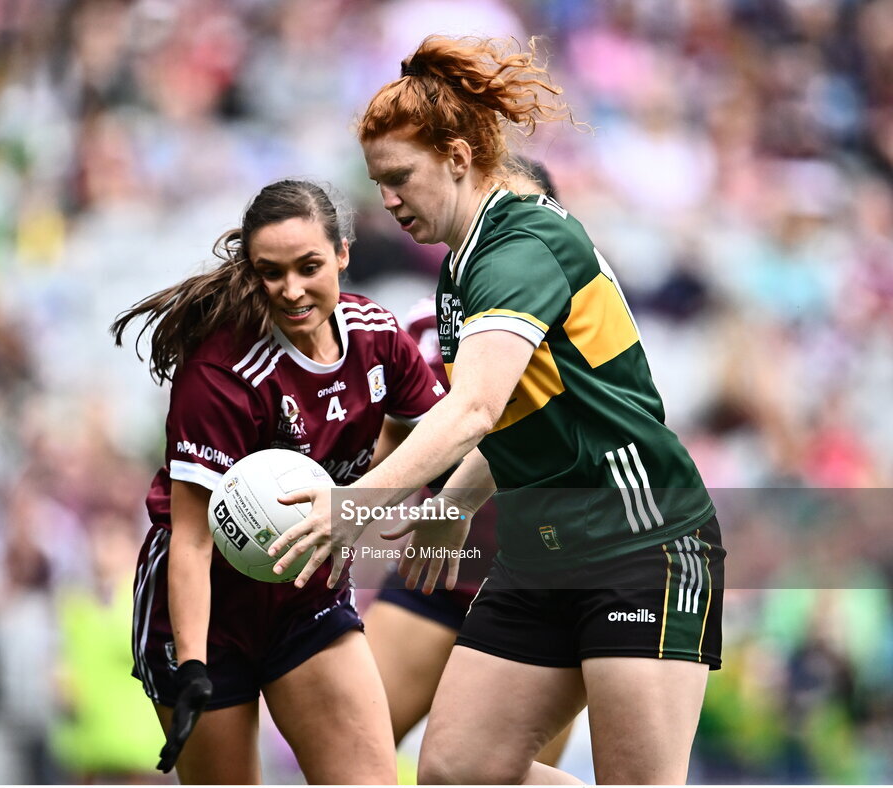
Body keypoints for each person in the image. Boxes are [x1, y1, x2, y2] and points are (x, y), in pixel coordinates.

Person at [270, 36, 725, 785]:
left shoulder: (521, 246)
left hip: (640, 542)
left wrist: (351, 506)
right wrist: (452, 504)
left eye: (398, 177)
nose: (385, 198)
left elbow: (476, 407)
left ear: (456, 157)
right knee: (455, 773)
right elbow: (513, 413)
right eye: (376, 181)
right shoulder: (464, 268)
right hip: (540, 549)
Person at [110, 179, 446, 784]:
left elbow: (440, 434)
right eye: (271, 272)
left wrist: (446, 507)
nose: (292, 290)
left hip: (306, 600)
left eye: (309, 266)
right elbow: (190, 538)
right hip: (204, 617)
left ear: (343, 253)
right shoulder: (220, 372)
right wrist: (190, 667)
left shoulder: (377, 335)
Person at [362, 158, 574, 764]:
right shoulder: (423, 334)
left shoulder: (583, 337)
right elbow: (386, 445)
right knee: (350, 750)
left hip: (544, 585)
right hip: (438, 571)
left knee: (497, 774)